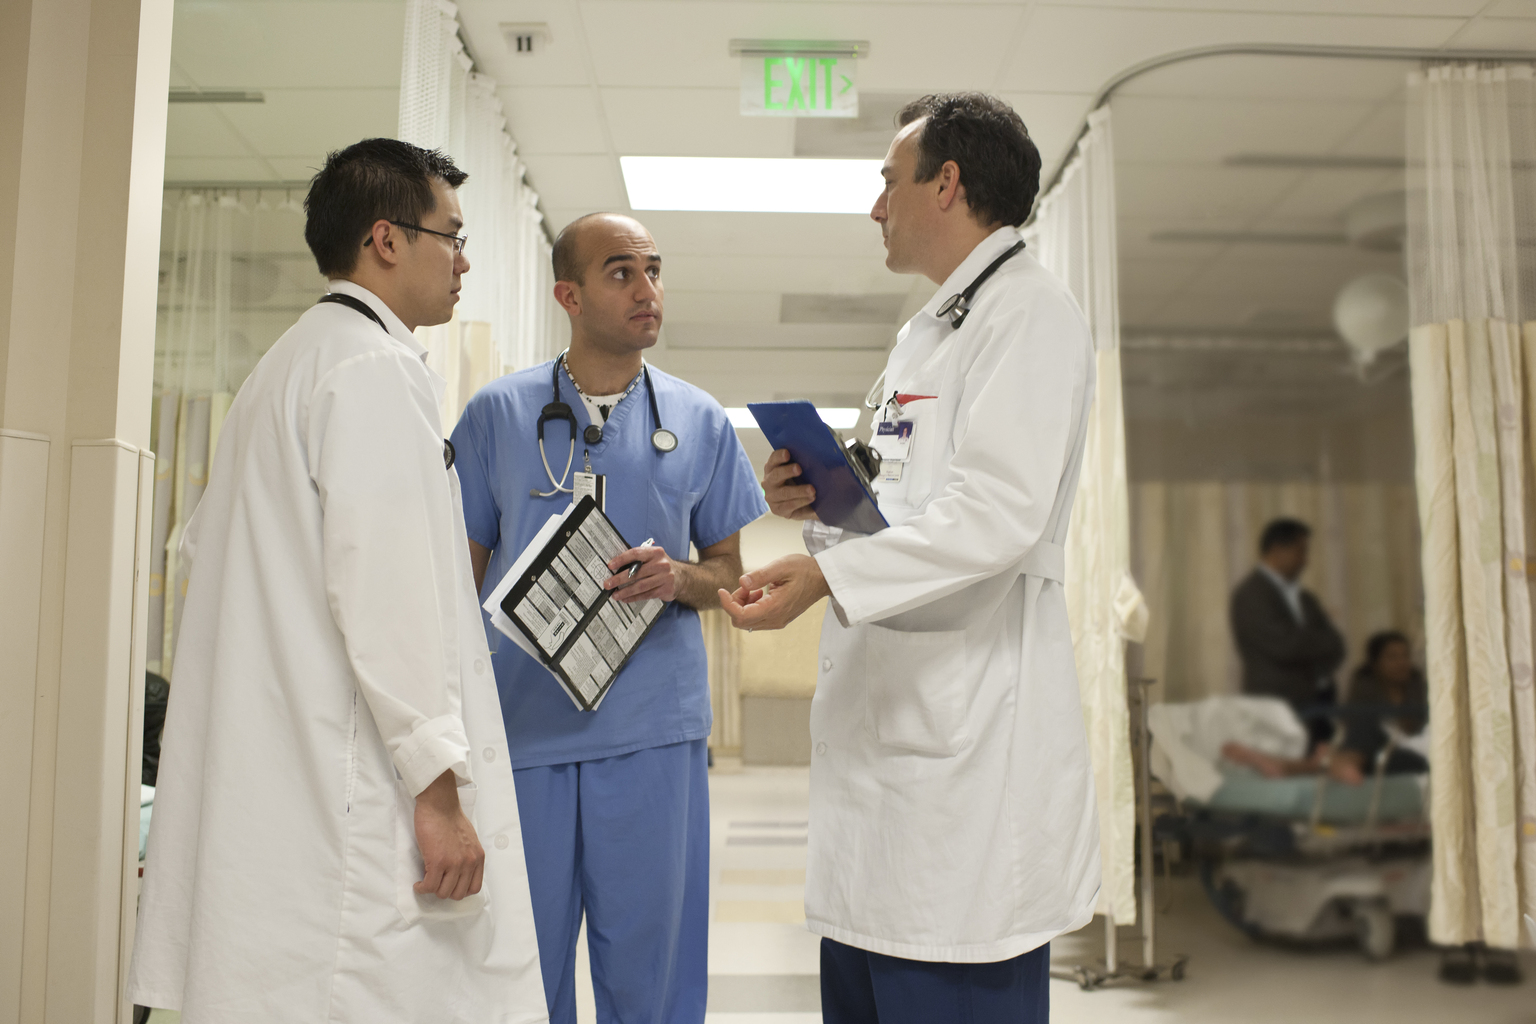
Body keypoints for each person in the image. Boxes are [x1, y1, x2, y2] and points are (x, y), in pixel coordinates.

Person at [128, 139, 546, 1023]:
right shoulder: (372, 370)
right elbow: (389, 600)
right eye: (453, 236)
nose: (464, 261)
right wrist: (439, 796)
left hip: (295, 777)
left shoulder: (288, 367)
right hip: (355, 793)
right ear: (387, 240)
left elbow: (207, 551)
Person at [718, 93, 1098, 1024]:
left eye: (888, 182)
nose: (876, 207)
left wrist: (824, 578)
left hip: (965, 772)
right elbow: (896, 510)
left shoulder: (1030, 315)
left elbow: (997, 515)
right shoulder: (925, 334)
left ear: (948, 182)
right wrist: (813, 497)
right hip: (884, 773)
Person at [450, 212, 767, 1024]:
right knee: (521, 974)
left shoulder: (699, 421)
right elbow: (455, 590)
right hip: (522, 736)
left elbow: (728, 575)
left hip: (652, 733)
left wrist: (678, 577)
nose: (648, 290)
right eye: (622, 272)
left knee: (652, 978)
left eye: (655, 270)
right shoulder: (496, 415)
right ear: (569, 293)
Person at [1221, 630, 1428, 785]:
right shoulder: (1365, 691)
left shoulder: (1423, 691)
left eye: (1405, 656)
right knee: (1365, 723)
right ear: (1375, 663)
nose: (1402, 663)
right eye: (1393, 657)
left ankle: (1318, 762)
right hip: (1376, 755)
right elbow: (1354, 728)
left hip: (1414, 756)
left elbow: (1421, 734)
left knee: (1366, 725)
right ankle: (1327, 763)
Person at [1229, 518, 1346, 748]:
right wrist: (1314, 645)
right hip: (1275, 707)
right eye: (1300, 551)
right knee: (1286, 777)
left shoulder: (1305, 598)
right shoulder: (1251, 594)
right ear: (1277, 550)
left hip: (1318, 704)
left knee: (1320, 777)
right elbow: (1285, 646)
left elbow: (1337, 645)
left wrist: (1309, 650)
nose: (1305, 560)